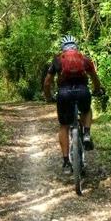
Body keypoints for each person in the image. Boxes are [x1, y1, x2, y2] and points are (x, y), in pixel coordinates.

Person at [43, 35, 104, 174]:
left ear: (62, 49)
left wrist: (48, 97)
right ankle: (87, 134)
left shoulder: (57, 60)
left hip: (64, 94)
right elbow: (94, 77)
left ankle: (66, 163)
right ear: (76, 47)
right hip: (82, 91)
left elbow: (47, 82)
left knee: (64, 126)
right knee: (87, 110)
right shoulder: (85, 59)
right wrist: (97, 90)